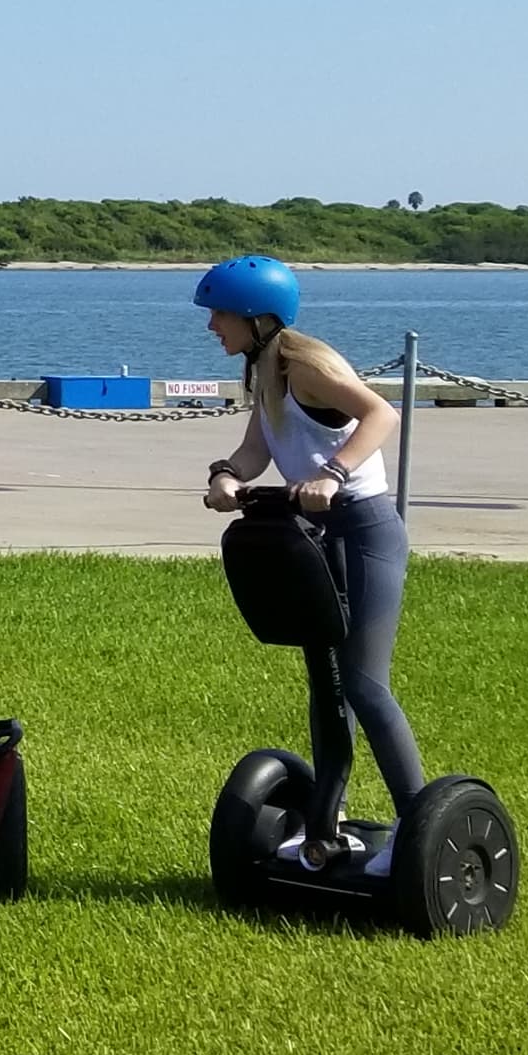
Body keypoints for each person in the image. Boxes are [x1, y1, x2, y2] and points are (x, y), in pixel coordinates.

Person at [195, 253, 422, 861]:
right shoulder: (263, 370)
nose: (212, 325)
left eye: (219, 314)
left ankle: (415, 823)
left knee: (366, 684)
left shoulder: (304, 365)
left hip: (364, 529)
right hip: (314, 536)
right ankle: (327, 819)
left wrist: (333, 472)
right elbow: (254, 450)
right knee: (327, 685)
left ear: (255, 316)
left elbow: (381, 413)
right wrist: (226, 477)